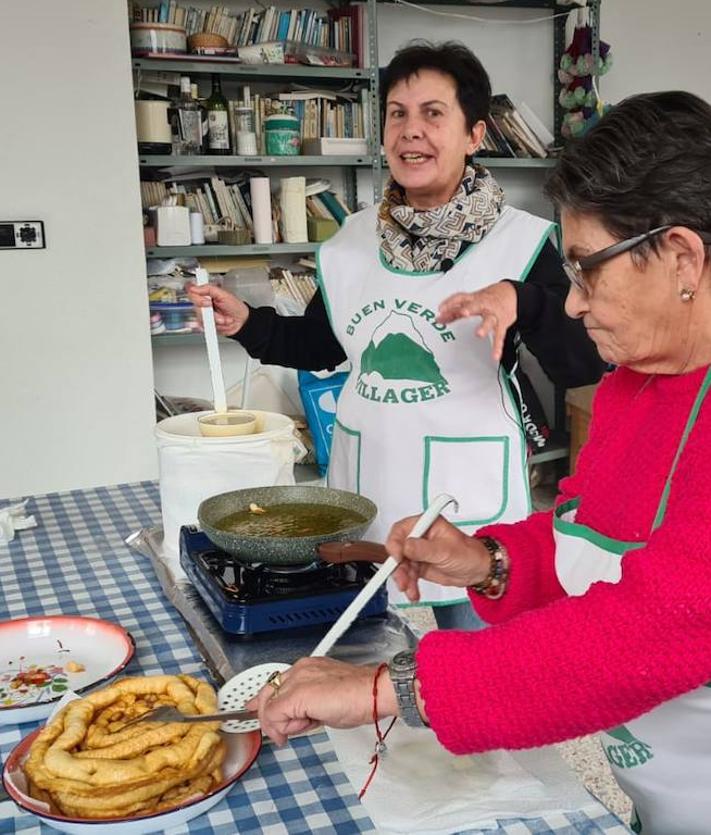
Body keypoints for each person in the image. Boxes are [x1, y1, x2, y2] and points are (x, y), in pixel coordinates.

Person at [246, 90, 711, 835]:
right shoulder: (635, 384)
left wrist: (388, 686)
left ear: (681, 256)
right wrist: (486, 561)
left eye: (587, 270)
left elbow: (653, 627)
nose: (570, 303)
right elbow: (582, 540)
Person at [188, 41, 604, 630]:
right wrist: (248, 323)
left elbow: (582, 366)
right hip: (369, 477)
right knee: (364, 648)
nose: (411, 131)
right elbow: (322, 347)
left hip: (466, 491)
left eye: (433, 114)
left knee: (476, 664)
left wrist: (526, 302)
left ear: (474, 134)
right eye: (397, 114)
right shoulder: (349, 242)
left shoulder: (524, 242)